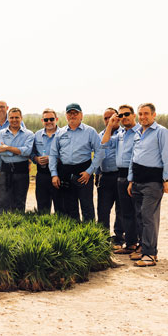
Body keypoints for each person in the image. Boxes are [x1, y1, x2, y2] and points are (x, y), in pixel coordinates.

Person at [127, 103, 168, 267]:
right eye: (140, 114)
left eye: (146, 114)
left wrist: (166, 180)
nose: (142, 117)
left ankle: (150, 254)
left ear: (154, 115)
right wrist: (131, 180)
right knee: (140, 217)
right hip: (138, 182)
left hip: (152, 182)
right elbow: (134, 157)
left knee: (149, 217)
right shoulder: (138, 133)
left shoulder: (161, 132)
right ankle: (143, 249)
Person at [49, 103, 103, 222]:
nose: (72, 115)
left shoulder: (90, 131)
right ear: (66, 116)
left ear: (81, 115)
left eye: (75, 113)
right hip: (65, 173)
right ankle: (75, 237)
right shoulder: (60, 133)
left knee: (87, 206)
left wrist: (89, 172)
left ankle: (89, 237)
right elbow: (53, 154)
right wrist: (54, 174)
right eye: (70, 113)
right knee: (70, 207)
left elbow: (100, 152)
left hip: (83, 173)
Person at [101, 105, 141, 254]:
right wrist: (110, 126)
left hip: (135, 174)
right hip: (121, 175)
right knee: (126, 212)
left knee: (138, 212)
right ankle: (130, 244)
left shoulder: (140, 131)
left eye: (126, 114)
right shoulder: (121, 134)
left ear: (133, 115)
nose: (124, 118)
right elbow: (104, 143)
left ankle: (141, 245)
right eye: (121, 115)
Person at [0, 108, 34, 213]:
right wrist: (18, 151)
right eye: (11, 117)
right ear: (8, 119)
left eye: (17, 117)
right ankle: (4, 226)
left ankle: (18, 225)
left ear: (21, 118)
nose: (14, 120)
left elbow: (27, 152)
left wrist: (7, 148)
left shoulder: (29, 134)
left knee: (19, 201)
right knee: (3, 201)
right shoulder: (2, 133)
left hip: (22, 170)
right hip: (5, 170)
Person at [96, 108, 121, 238]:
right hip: (105, 176)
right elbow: (98, 156)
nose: (108, 120)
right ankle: (103, 237)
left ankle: (118, 237)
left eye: (111, 117)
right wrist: (97, 175)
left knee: (121, 210)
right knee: (103, 209)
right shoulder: (100, 135)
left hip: (120, 175)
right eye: (105, 118)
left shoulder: (123, 134)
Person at [31, 108, 62, 214]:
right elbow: (32, 153)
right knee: (42, 207)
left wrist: (52, 158)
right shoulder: (37, 135)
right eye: (46, 120)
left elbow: (68, 155)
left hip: (59, 174)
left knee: (60, 206)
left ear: (56, 119)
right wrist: (36, 159)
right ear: (42, 121)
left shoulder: (63, 134)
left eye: (51, 119)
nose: (49, 122)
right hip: (42, 175)